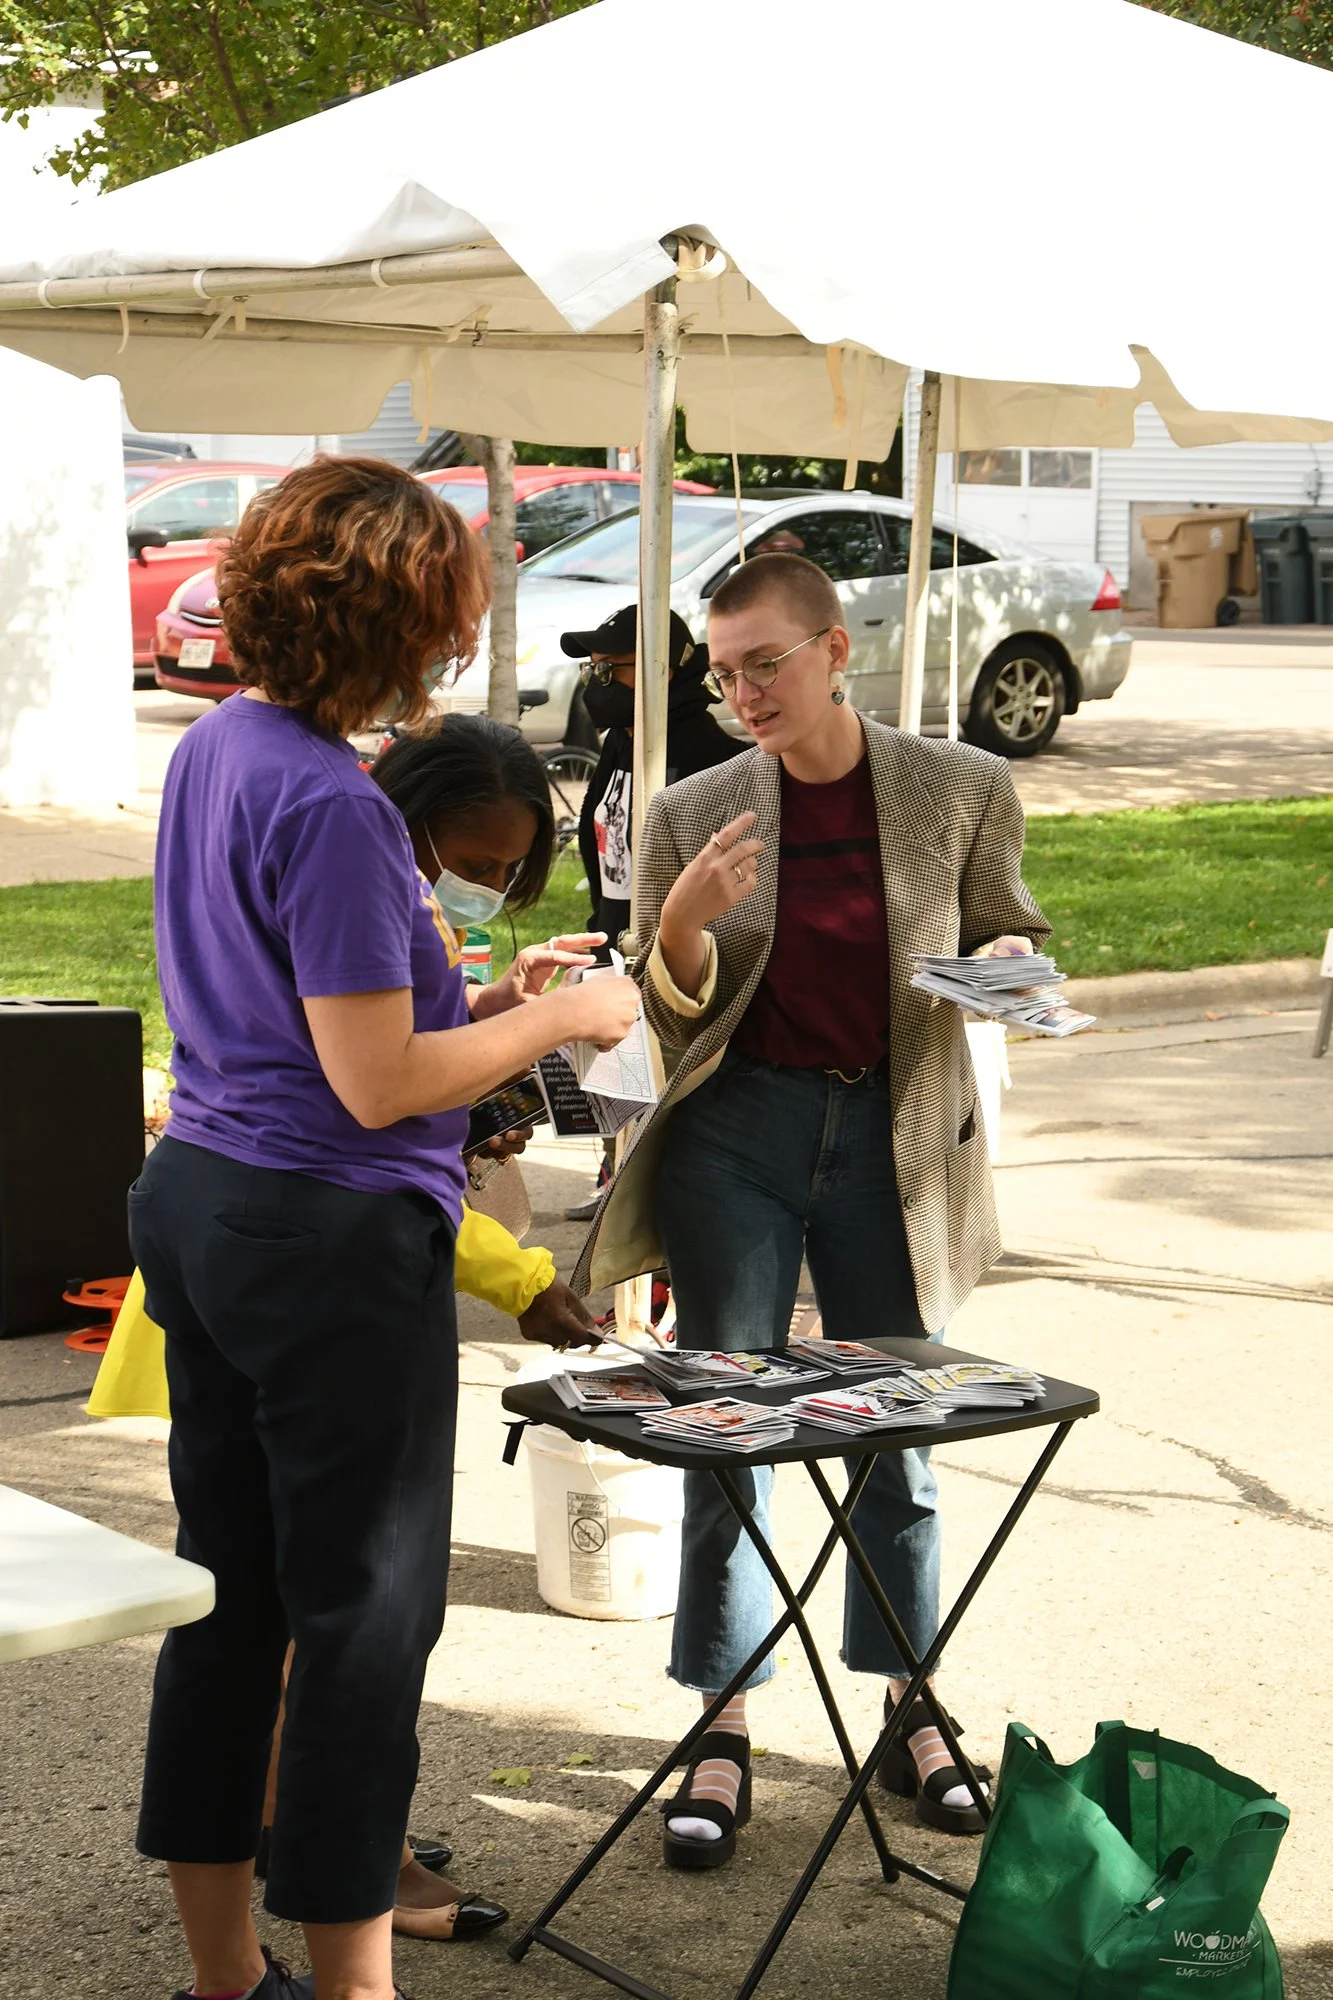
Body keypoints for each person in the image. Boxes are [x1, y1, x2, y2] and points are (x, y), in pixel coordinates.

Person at [130, 455, 639, 2000]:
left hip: (205, 1203)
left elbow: (324, 1018)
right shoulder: (341, 807)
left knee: (229, 1602)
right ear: (404, 627)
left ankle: (230, 1980)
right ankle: (355, 1985)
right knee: (362, 1628)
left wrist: (482, 996)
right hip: (327, 1243)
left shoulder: (221, 747)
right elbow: (374, 1086)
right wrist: (572, 1023)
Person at [572, 551, 1047, 1870]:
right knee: (730, 1412)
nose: (743, 694)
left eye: (764, 664)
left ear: (839, 650)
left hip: (893, 1131)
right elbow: (663, 1008)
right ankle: (721, 1719)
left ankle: (910, 1708)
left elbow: (1008, 939)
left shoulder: (961, 786)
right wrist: (674, 924)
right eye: (724, 675)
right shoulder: (696, 807)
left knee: (899, 1427)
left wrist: (1010, 962)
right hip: (742, 1131)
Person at [561, 604, 741, 1222]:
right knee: (616, 1077)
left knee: (673, 1089)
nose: (599, 682)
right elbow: (602, 838)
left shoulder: (709, 757)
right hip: (617, 937)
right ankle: (617, 1174)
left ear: (664, 672)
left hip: (684, 959)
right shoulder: (619, 744)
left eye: (614, 668)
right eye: (594, 668)